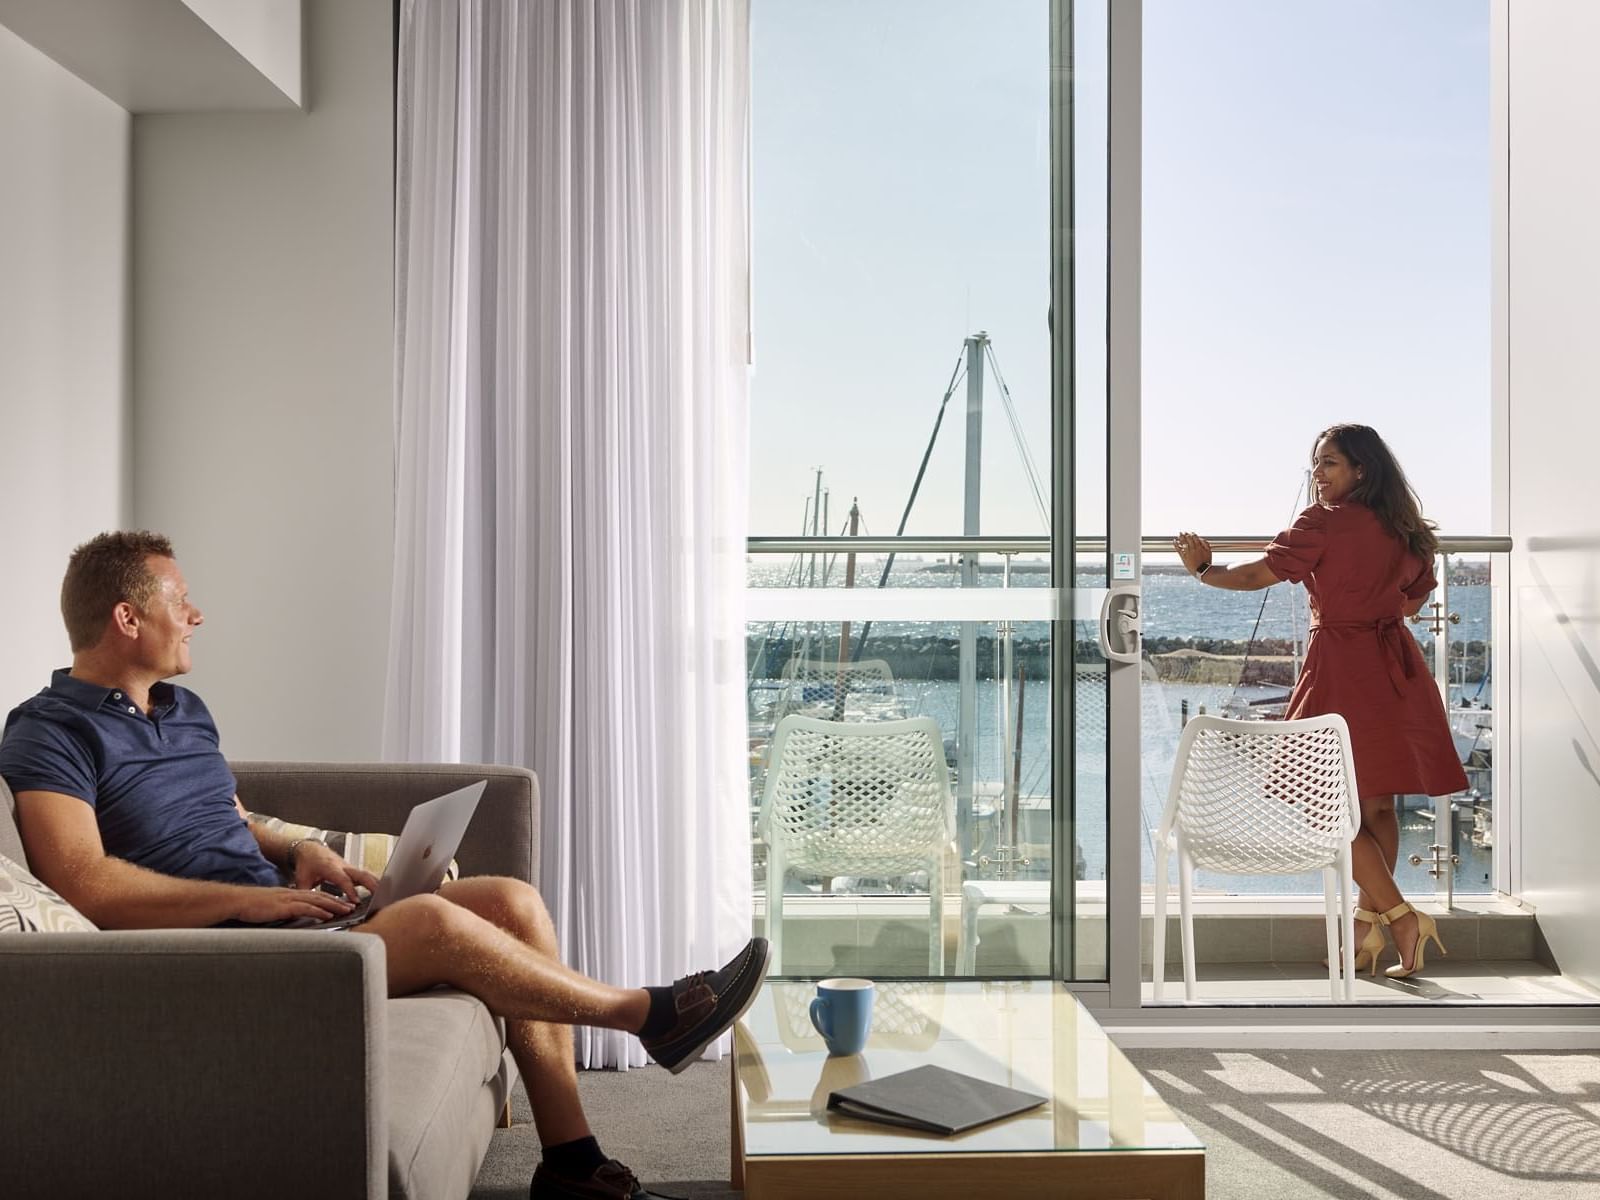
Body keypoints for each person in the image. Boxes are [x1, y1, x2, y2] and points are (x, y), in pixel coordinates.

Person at [0, 531, 770, 1200]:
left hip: (281, 921)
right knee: (435, 919)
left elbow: (224, 814)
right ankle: (648, 1015)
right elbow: (84, 882)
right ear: (126, 618)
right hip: (218, 956)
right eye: (182, 599)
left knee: (510, 900)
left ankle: (573, 1163)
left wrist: (298, 852)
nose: (197, 614)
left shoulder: (182, 710)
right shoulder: (49, 731)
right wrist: (252, 908)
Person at [1172, 424, 1468, 980]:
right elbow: (1412, 603)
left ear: (1361, 470)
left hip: (1341, 665)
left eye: (1330, 463)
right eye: (1316, 462)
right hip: (1393, 665)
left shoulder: (1322, 522)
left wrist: (1203, 569)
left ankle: (1400, 917)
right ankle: (1367, 926)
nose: (1318, 472)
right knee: (1375, 804)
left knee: (1322, 801)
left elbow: (1260, 573)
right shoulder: (1407, 529)